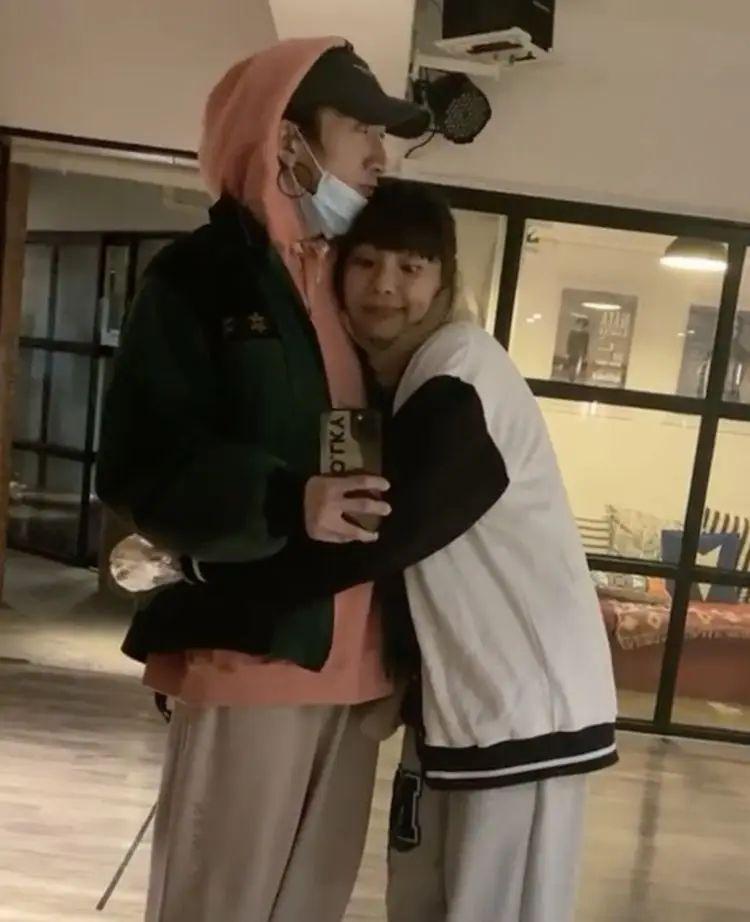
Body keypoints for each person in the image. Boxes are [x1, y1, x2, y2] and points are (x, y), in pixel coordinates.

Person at [118, 182, 619, 922]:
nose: (385, 285)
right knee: (424, 902)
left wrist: (198, 582)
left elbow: (369, 541)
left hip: (524, 716)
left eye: (411, 268)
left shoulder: (460, 380)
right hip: (463, 707)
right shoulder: (408, 379)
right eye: (367, 263)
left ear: (444, 283)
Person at [95, 38, 429, 922]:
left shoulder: (352, 280)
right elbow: (139, 465)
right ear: (289, 139)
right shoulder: (200, 278)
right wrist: (284, 498)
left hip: (356, 669)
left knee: (311, 906)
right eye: (361, 128)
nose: (380, 155)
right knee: (219, 904)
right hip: (253, 652)